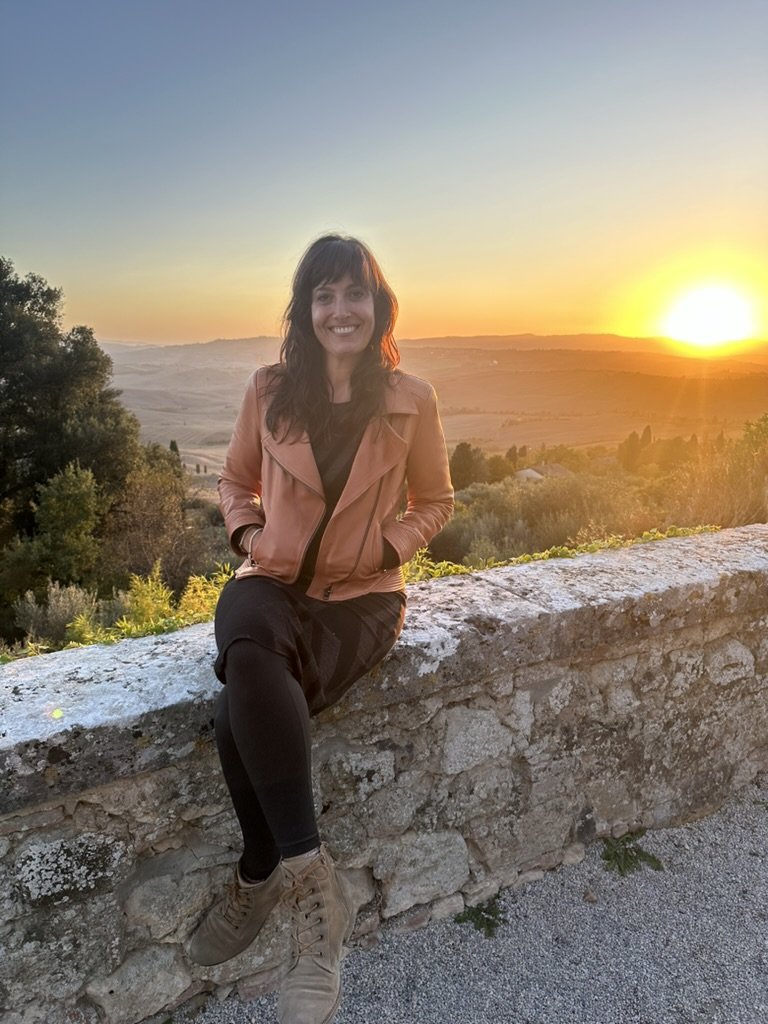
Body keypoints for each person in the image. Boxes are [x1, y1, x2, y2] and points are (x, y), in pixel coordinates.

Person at [188, 234, 453, 1024]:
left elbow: (437, 501)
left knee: (242, 696)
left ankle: (260, 869)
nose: (341, 310)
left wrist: (386, 545)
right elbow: (237, 480)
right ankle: (314, 890)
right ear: (306, 311)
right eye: (325, 295)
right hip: (268, 581)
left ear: (378, 307)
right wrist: (246, 538)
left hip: (361, 598)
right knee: (245, 640)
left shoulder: (413, 399)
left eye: (356, 294)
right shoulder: (269, 389)